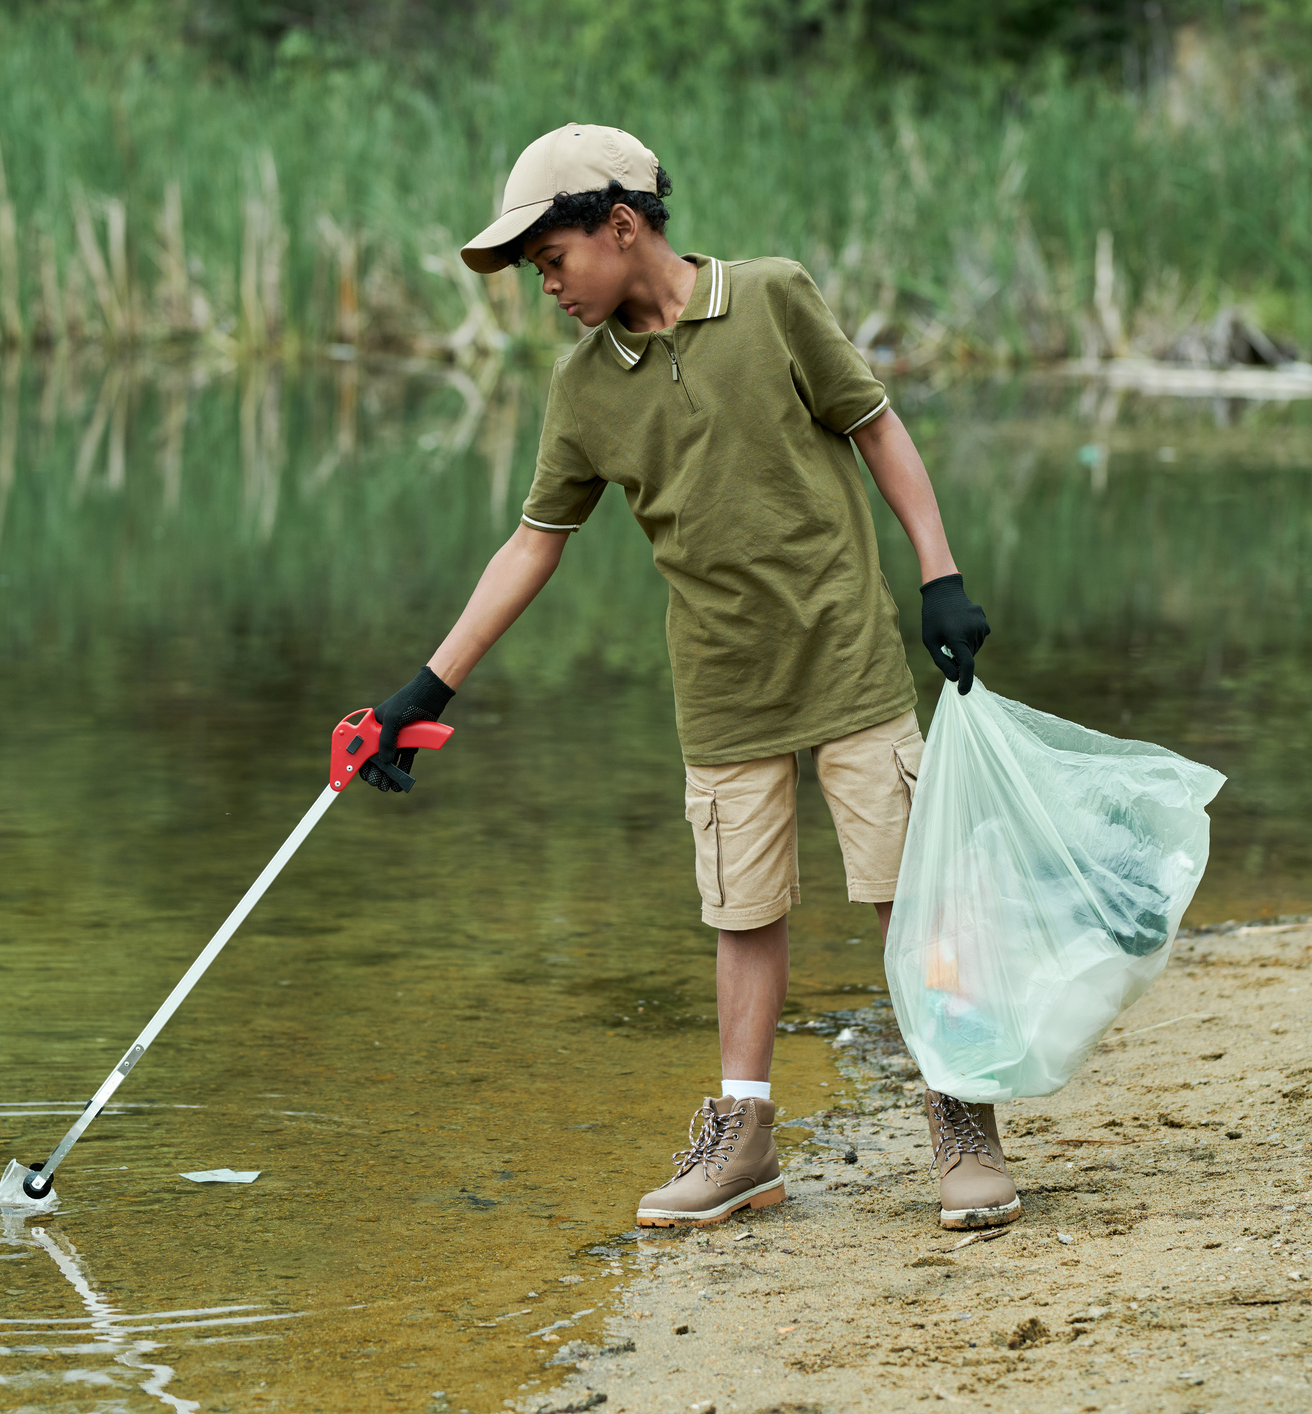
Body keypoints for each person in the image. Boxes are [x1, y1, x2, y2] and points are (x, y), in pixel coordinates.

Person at [359, 123, 1017, 1232]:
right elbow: (532, 543)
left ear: (621, 225)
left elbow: (878, 426)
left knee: (912, 896)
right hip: (721, 688)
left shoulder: (771, 299)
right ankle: (744, 1137)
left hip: (847, 657)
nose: (550, 288)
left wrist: (939, 576)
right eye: (537, 276)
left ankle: (963, 1123)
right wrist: (425, 690)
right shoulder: (583, 389)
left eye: (554, 261)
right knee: (742, 910)